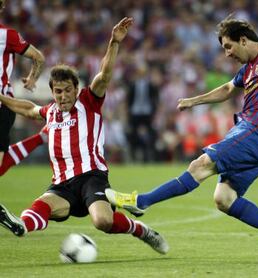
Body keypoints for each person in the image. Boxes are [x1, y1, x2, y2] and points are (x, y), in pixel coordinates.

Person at [105, 17, 258, 260]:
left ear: (243, 40)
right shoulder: (249, 68)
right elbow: (227, 89)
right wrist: (194, 100)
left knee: (200, 165)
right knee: (224, 198)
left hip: (256, 132)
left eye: (228, 46)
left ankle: (142, 201)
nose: (227, 53)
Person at [0, 17, 169, 255]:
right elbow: (27, 108)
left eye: (68, 90)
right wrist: (2, 97)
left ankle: (141, 230)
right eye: (58, 92)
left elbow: (104, 75)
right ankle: (21, 225)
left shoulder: (89, 101)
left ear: (76, 89)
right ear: (52, 92)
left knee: (103, 222)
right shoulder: (51, 112)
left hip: (92, 177)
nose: (63, 96)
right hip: (62, 184)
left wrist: (114, 42)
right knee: (42, 205)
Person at [0, 0, 45, 171]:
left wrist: (32, 78)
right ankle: (39, 139)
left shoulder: (7, 35)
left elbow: (38, 57)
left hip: (3, 105)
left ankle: (39, 139)